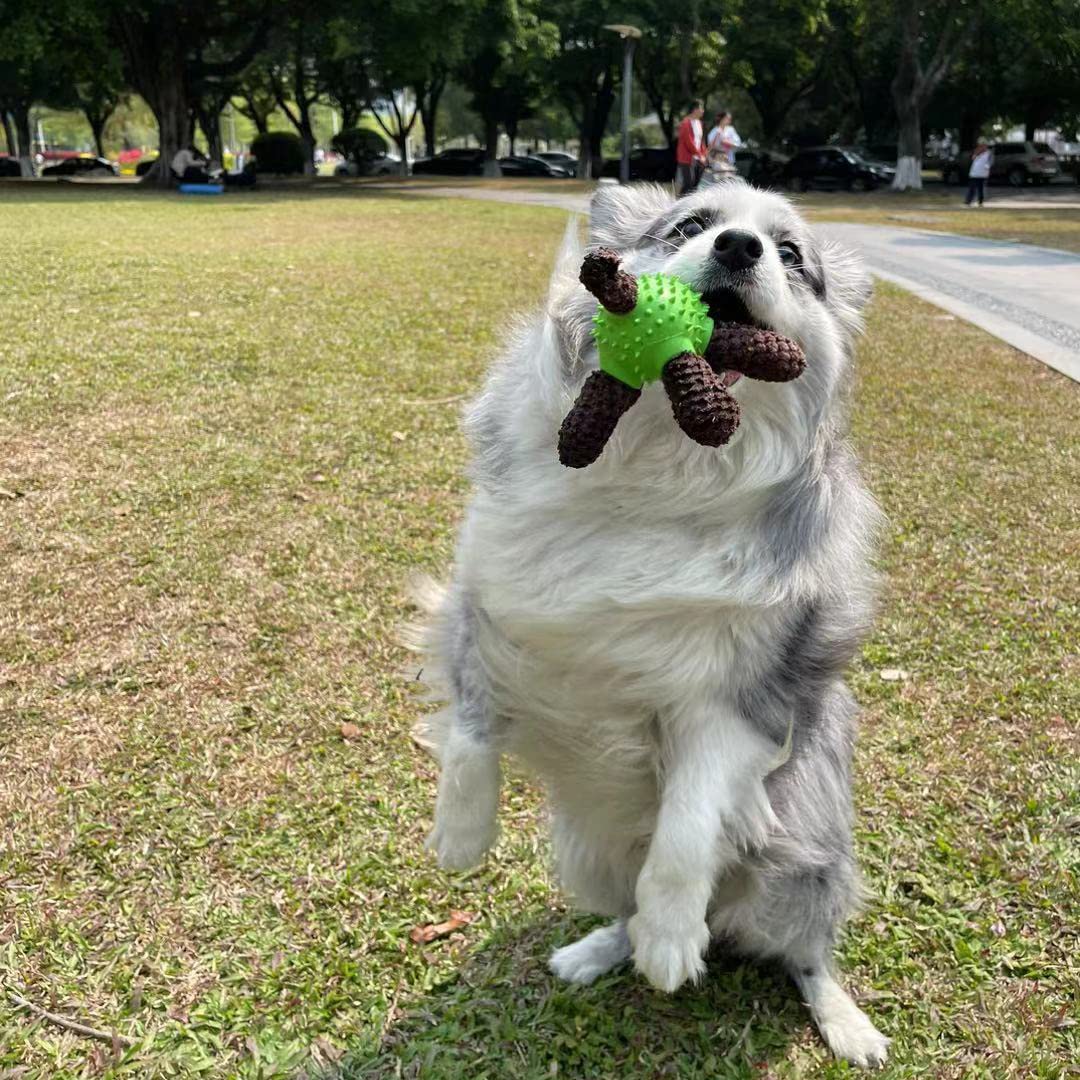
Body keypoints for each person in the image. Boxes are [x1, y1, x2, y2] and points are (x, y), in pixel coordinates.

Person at [676, 101, 706, 194]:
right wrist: (699, 155)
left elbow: (700, 141)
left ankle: (690, 206)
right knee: (688, 183)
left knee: (695, 185)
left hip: (698, 158)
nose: (703, 111)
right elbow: (688, 141)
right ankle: (679, 204)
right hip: (687, 158)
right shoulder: (686, 123)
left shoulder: (699, 123)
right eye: (701, 109)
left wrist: (703, 154)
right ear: (695, 110)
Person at [965, 141, 992, 207]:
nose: (982, 147)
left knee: (981, 189)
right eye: (981, 146)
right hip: (974, 173)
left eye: (984, 146)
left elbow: (990, 162)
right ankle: (968, 201)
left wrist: (987, 167)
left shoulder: (989, 153)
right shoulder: (976, 152)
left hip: (983, 174)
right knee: (972, 188)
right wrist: (976, 153)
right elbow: (972, 159)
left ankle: (980, 202)